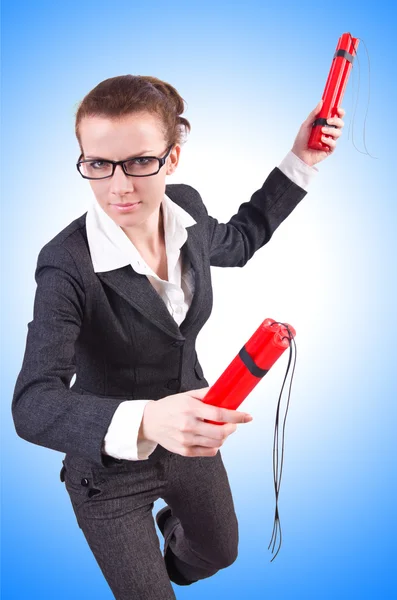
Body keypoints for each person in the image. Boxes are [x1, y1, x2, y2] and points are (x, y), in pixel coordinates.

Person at [11, 75, 345, 599]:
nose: (119, 186)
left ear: (172, 159)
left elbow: (240, 239)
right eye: (98, 164)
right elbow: (32, 404)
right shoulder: (65, 264)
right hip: (108, 471)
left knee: (219, 553)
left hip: (191, 444)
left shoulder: (185, 208)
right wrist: (146, 418)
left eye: (140, 162)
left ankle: (170, 535)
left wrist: (301, 159)